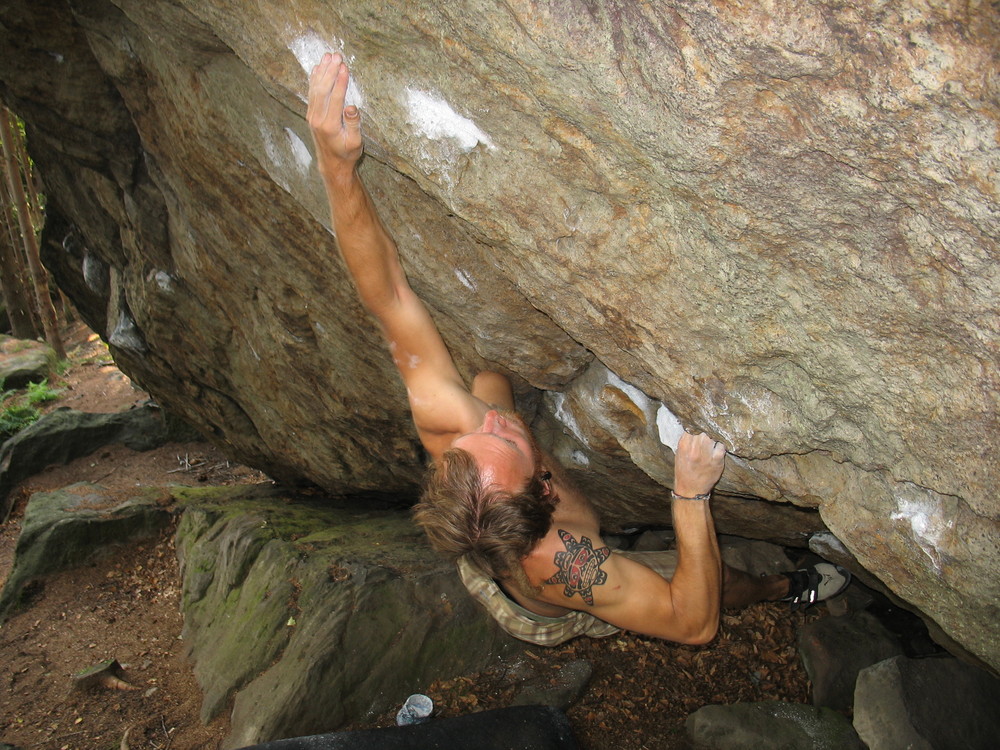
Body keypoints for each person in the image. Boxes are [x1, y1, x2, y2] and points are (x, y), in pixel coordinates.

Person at [307, 53, 850, 646]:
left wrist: (335, 166)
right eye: (506, 438)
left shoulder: (451, 430)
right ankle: (783, 589)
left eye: (482, 434)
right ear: (540, 491)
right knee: (713, 582)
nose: (490, 422)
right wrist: (690, 495)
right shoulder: (566, 564)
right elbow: (692, 624)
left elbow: (387, 297)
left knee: (488, 381)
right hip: (539, 605)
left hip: (488, 539)